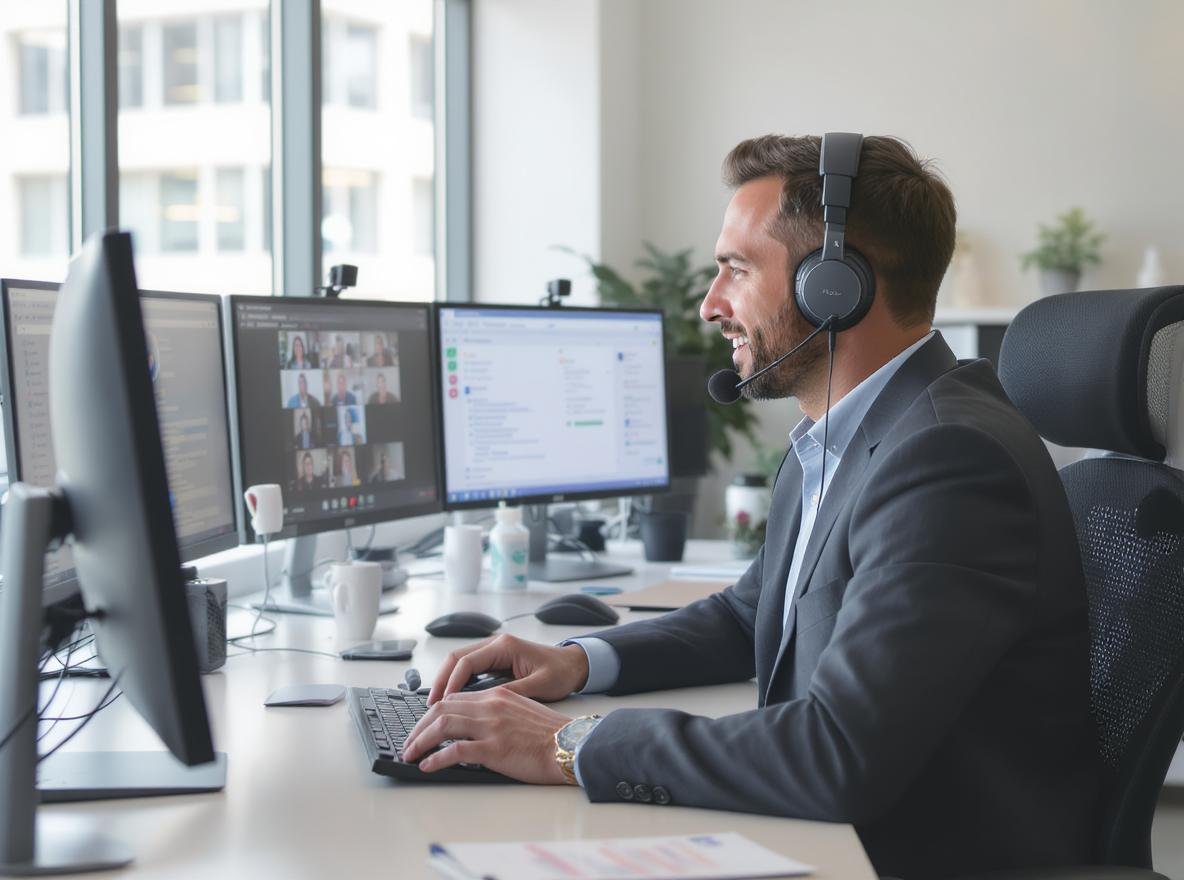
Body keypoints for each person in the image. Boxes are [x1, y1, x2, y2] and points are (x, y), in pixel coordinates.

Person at [402, 135, 1099, 880]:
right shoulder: (843, 436)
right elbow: (750, 614)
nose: (710, 305)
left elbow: (838, 754)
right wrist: (575, 664)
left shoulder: (947, 460)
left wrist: (565, 745)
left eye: (736, 268)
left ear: (835, 286)